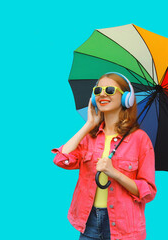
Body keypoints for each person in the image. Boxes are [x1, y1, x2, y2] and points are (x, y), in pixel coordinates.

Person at [51, 72, 157, 240]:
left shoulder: (140, 139)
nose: (102, 94)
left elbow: (148, 192)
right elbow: (61, 159)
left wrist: (114, 173)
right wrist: (89, 124)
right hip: (89, 221)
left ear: (126, 98)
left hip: (124, 227)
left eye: (109, 90)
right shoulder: (89, 136)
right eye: (98, 89)